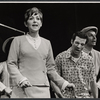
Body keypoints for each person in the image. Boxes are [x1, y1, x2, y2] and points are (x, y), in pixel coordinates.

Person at [7, 7, 75, 98]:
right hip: (23, 89)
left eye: (38, 19)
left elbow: (51, 69)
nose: (35, 21)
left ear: (41, 23)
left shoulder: (47, 43)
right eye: (31, 19)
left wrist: (64, 83)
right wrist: (20, 79)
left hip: (43, 89)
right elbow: (11, 63)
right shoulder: (17, 40)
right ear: (25, 23)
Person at [52, 31, 98, 98]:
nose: (79, 46)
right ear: (72, 41)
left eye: (82, 44)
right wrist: (59, 95)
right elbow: (54, 80)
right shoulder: (61, 57)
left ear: (85, 45)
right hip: (66, 96)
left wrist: (95, 98)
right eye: (77, 43)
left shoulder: (89, 60)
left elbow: (92, 82)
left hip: (84, 96)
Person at [80, 26, 100, 98]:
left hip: (93, 94)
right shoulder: (77, 53)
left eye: (95, 36)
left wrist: (98, 85)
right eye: (91, 35)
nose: (94, 38)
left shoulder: (98, 54)